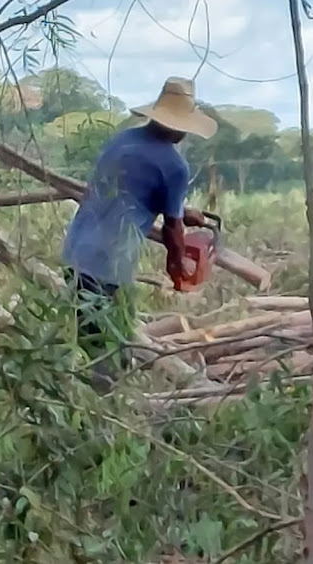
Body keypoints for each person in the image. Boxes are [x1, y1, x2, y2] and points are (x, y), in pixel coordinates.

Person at [61, 76, 218, 390]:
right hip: (109, 263)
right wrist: (178, 265)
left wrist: (180, 210)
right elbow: (174, 230)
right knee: (109, 346)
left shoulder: (122, 140)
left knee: (91, 338)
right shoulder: (175, 166)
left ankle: (92, 406)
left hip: (76, 251)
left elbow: (129, 189)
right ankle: (103, 416)